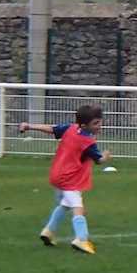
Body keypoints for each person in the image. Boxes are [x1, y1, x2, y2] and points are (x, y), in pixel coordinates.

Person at [20, 104, 111, 255]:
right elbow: (99, 161)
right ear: (84, 125)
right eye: (95, 123)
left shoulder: (70, 128)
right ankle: (81, 238)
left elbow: (51, 129)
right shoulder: (88, 142)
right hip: (69, 179)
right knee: (78, 207)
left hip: (56, 174)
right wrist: (106, 157)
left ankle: (48, 231)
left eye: (99, 122)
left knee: (66, 204)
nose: (99, 126)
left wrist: (30, 126)